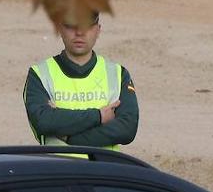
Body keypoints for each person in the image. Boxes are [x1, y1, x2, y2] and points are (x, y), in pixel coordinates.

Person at [24, 12, 139, 151]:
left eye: (87, 26)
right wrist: (99, 116)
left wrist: (70, 139)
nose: (79, 32)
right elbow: (43, 122)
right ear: (59, 29)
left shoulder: (118, 74)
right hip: (59, 170)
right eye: (71, 26)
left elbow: (127, 129)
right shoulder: (40, 74)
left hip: (104, 170)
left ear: (98, 30)